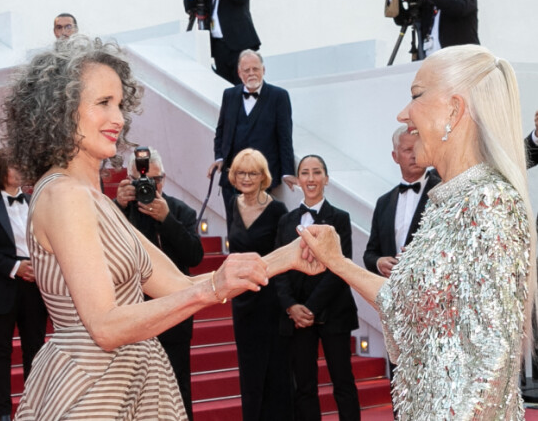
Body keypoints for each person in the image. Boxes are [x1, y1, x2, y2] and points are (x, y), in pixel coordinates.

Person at [2, 36, 319, 420]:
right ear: (60, 110)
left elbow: (180, 285)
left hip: (132, 378)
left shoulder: (95, 201)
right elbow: (105, 326)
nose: (118, 118)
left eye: (120, 103)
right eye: (103, 103)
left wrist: (288, 256)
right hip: (93, 389)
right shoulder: (65, 196)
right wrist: (212, 288)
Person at [299, 44, 536, 420]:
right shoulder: (449, 202)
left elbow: (492, 360)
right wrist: (337, 262)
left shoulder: (490, 201)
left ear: (454, 110)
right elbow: (400, 303)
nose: (403, 114)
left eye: (416, 96)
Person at [114, 149, 203, 420]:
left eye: (155, 180)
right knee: (133, 394)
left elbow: (194, 256)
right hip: (132, 316)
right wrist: (117, 207)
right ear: (128, 180)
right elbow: (105, 254)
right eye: (142, 180)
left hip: (174, 316)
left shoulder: (181, 211)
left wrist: (167, 220)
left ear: (164, 180)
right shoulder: (117, 211)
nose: (149, 187)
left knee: (177, 389)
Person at [276, 154, 360, 421]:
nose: (310, 179)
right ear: (298, 180)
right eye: (305, 173)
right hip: (297, 317)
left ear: (326, 178)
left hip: (334, 312)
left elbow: (340, 268)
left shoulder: (341, 218)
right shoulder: (285, 222)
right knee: (304, 386)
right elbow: (279, 268)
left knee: (343, 382)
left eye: (316, 172)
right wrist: (291, 306)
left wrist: (311, 307)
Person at [0, 149, 48, 421]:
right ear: (0, 171)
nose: (22, 170)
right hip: (0, 286)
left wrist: (40, 265)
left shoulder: (33, 200)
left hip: (35, 287)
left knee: (35, 348)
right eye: (16, 166)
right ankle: (3, 412)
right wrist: (15, 268)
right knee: (0, 351)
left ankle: (34, 408)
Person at [227, 149, 291, 420]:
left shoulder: (277, 209)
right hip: (243, 300)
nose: (246, 178)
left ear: (263, 176)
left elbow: (286, 254)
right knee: (250, 372)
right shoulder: (233, 204)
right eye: (241, 172)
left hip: (271, 300)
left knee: (276, 372)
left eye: (252, 173)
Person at [208, 50, 297, 229]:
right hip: (231, 177)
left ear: (263, 70)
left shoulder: (279, 96)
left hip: (262, 178)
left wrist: (287, 172)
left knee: (259, 229)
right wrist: (219, 157)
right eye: (246, 70)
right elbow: (221, 130)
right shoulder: (229, 95)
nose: (251, 73)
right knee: (234, 228)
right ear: (239, 74)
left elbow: (285, 136)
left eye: (255, 69)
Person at [363, 125, 440, 277]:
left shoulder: (442, 191)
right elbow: (370, 253)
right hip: (391, 291)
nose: (414, 155)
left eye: (418, 148)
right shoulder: (383, 202)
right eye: (407, 150)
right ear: (395, 156)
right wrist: (378, 262)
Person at [184, 0, 261, 84]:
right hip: (219, 47)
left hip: (239, 44)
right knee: (224, 88)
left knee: (241, 86)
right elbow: (190, 8)